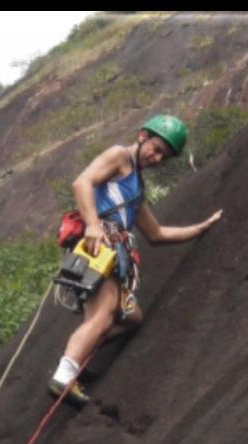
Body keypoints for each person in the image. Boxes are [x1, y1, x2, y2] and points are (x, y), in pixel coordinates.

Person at [49, 114, 224, 405]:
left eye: (163, 156)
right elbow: (82, 183)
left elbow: (156, 234)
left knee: (131, 319)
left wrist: (200, 229)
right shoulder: (119, 157)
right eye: (156, 148)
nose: (156, 158)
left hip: (116, 254)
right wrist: (92, 224)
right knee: (103, 315)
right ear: (143, 135)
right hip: (98, 245)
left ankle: (75, 353)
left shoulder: (137, 189)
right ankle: (65, 374)